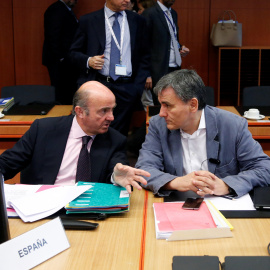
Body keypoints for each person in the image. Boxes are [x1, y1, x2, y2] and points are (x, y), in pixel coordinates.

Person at [136, 69, 270, 198]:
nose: (161, 113)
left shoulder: (232, 125)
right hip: (175, 204)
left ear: (193, 105)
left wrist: (226, 185)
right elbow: (144, 169)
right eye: (161, 105)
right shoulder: (158, 125)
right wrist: (177, 182)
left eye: (168, 106)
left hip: (223, 204)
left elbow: (264, 169)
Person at [0, 81, 150, 194]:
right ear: (80, 112)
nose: (111, 117)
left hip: (86, 210)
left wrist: (114, 178)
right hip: (41, 206)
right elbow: (7, 163)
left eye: (112, 110)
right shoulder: (43, 130)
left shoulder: (115, 140)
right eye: (103, 111)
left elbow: (117, 172)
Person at [69, 0, 150, 136]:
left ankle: (116, 157)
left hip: (127, 87)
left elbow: (145, 55)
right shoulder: (89, 20)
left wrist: (137, 87)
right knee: (95, 131)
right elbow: (73, 53)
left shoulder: (138, 21)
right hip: (98, 84)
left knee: (120, 134)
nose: (128, 0)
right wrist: (89, 61)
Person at [142, 0, 190, 104]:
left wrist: (180, 48)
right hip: (157, 70)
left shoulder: (173, 13)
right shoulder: (150, 13)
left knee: (174, 102)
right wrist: (146, 74)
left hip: (174, 68)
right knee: (160, 104)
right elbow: (143, 45)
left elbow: (172, 39)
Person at [42, 0, 79, 105]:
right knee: (61, 93)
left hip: (66, 60)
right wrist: (61, 58)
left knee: (68, 92)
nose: (76, 1)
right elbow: (53, 36)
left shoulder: (66, 10)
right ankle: (62, 117)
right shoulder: (56, 9)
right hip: (59, 61)